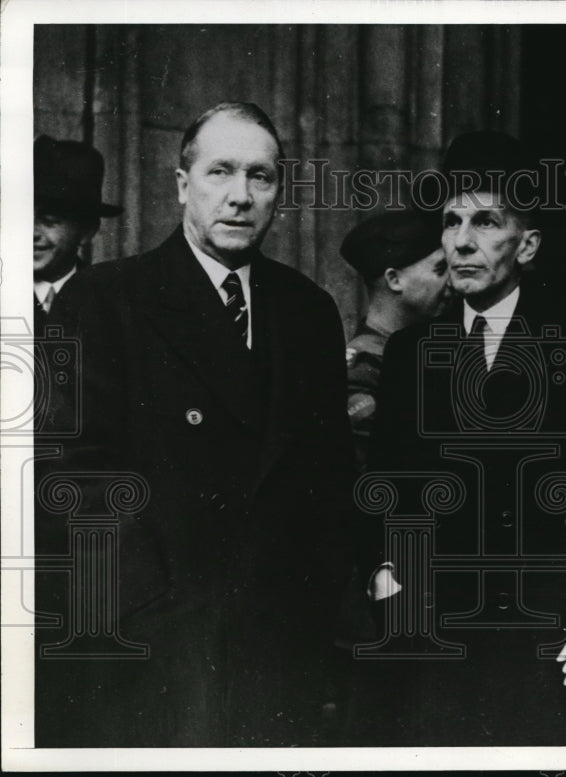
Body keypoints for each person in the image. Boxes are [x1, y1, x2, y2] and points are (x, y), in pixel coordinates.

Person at [36, 102, 355, 747]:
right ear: (183, 185)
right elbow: (70, 474)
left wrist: (321, 615)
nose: (239, 197)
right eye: (220, 173)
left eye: (260, 178)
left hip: (278, 642)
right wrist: (147, 603)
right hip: (157, 639)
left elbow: (329, 477)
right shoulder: (105, 301)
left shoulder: (307, 310)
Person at [362, 131, 566, 746]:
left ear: (526, 245)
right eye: (451, 222)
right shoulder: (410, 353)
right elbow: (383, 484)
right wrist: (384, 572)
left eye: (486, 220)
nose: (462, 241)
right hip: (431, 633)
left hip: (543, 638)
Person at [341, 210, 453, 472]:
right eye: (440, 268)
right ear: (394, 279)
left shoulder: (420, 352)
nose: (453, 280)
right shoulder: (363, 371)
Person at [33, 135, 122, 329]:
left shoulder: (113, 306)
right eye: (22, 219)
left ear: (87, 231)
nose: (32, 233)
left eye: (49, 219)